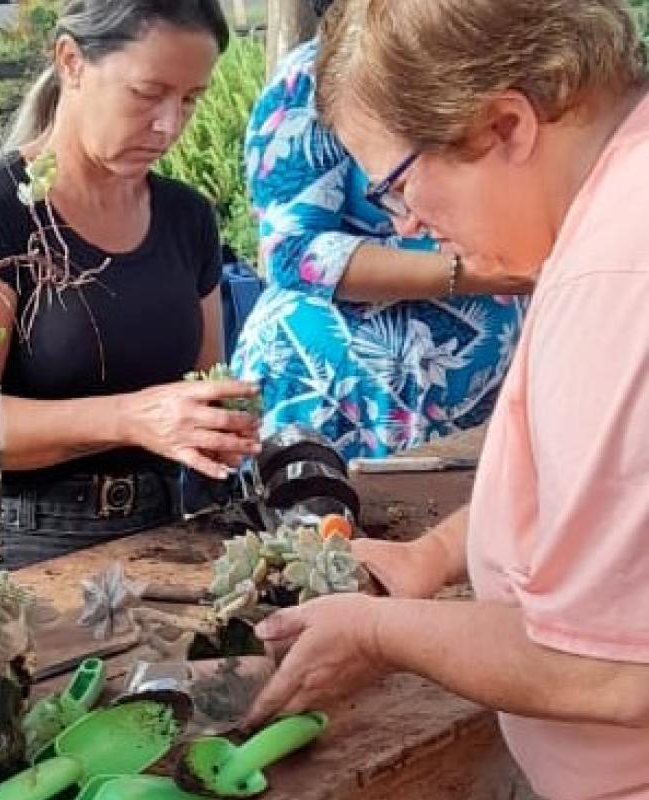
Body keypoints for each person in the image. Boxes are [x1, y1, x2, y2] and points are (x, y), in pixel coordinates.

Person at [241, 1, 649, 797]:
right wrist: (428, 555)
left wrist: (377, 630)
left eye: (397, 186)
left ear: (505, 127)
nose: (412, 226)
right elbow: (600, 504)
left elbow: (608, 670)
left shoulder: (616, 280)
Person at [0, 0, 261, 567]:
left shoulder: (187, 218)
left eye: (189, 100)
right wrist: (131, 419)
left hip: (168, 526)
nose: (169, 125)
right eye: (148, 93)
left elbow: (202, 386)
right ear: (71, 61)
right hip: (21, 542)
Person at [230, 0, 531, 459]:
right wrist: (472, 273)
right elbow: (294, 256)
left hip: (468, 384)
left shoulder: (458, 54)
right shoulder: (312, 83)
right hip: (340, 389)